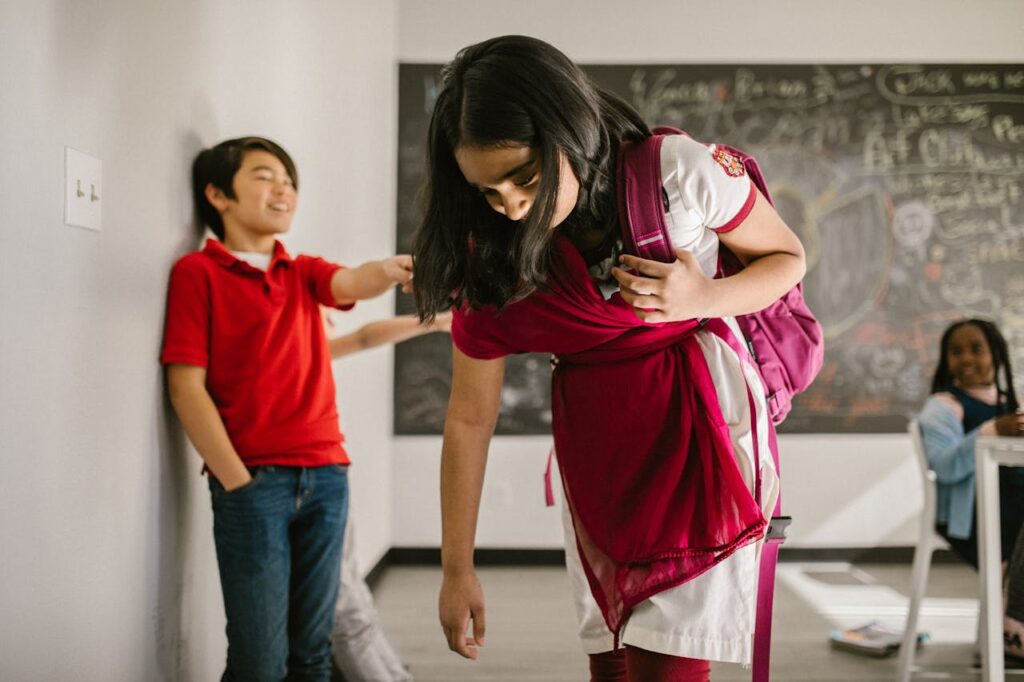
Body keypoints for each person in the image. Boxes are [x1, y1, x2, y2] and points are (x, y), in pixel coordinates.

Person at [411, 36, 807, 681]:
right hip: (596, 448)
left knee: (668, 662)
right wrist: (456, 570)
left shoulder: (675, 174)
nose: (512, 205)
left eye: (527, 178)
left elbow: (788, 259)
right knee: (615, 660)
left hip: (699, 425)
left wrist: (703, 296)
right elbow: (468, 419)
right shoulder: (491, 253)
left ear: (571, 131)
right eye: (488, 190)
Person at [161, 136, 412, 681]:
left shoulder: (302, 272)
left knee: (313, 657)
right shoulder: (196, 275)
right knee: (259, 662)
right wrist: (237, 481)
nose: (284, 189)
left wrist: (390, 270)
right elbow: (186, 388)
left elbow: (352, 281)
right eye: (265, 175)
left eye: (290, 181)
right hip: (254, 484)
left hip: (326, 477)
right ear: (217, 194)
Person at [323, 311, 451, 682]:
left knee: (349, 592)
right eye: (323, 318)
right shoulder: (291, 348)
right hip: (295, 475)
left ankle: (392, 673)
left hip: (327, 470)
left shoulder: (306, 350)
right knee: (344, 598)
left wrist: (438, 322)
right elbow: (362, 336)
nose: (329, 323)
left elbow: (364, 336)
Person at [917, 318, 1024, 658]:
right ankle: (1012, 629)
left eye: (976, 349)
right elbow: (945, 467)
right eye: (956, 351)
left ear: (996, 353)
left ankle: (1011, 626)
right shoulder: (944, 407)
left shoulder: (1011, 404)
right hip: (971, 518)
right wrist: (991, 431)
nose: (966, 358)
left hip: (1010, 509)